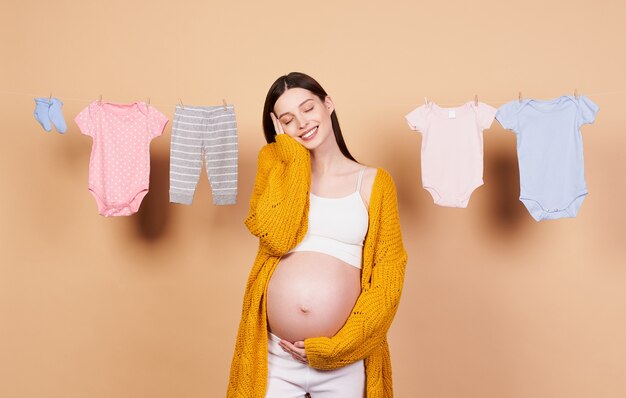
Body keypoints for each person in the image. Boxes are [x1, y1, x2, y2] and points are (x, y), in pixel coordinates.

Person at [227, 72, 408, 397]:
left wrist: (337, 348)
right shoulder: (276, 170)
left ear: (328, 104)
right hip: (275, 358)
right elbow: (276, 237)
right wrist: (294, 158)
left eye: (308, 108)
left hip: (344, 360)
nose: (302, 123)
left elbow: (387, 279)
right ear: (279, 127)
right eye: (288, 119)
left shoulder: (373, 182)